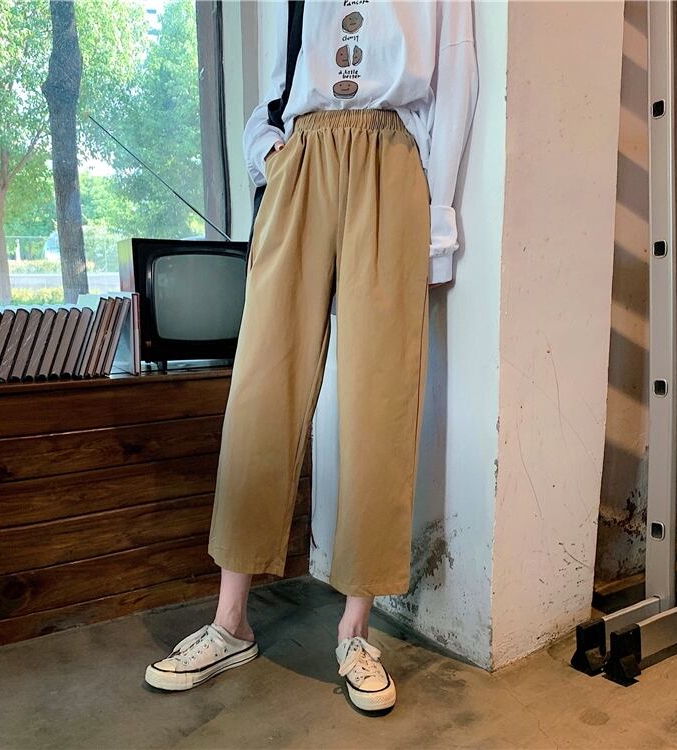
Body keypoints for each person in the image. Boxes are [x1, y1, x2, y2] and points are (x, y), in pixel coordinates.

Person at [145, 0, 478, 713]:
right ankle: (230, 621)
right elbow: (278, 81)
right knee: (263, 388)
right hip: (301, 159)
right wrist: (269, 152)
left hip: (392, 160)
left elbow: (455, 80)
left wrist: (439, 221)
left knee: (380, 396)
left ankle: (356, 630)